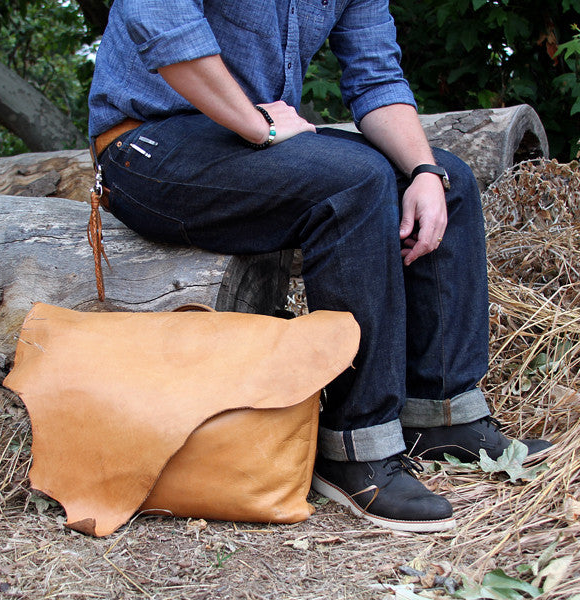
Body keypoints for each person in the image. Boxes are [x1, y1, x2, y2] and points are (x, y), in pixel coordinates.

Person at [88, 0, 551, 532]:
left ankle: (441, 415)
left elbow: (376, 80)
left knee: (450, 181)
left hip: (249, 141)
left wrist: (422, 169)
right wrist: (257, 123)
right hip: (143, 146)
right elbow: (161, 23)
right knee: (354, 181)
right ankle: (355, 446)